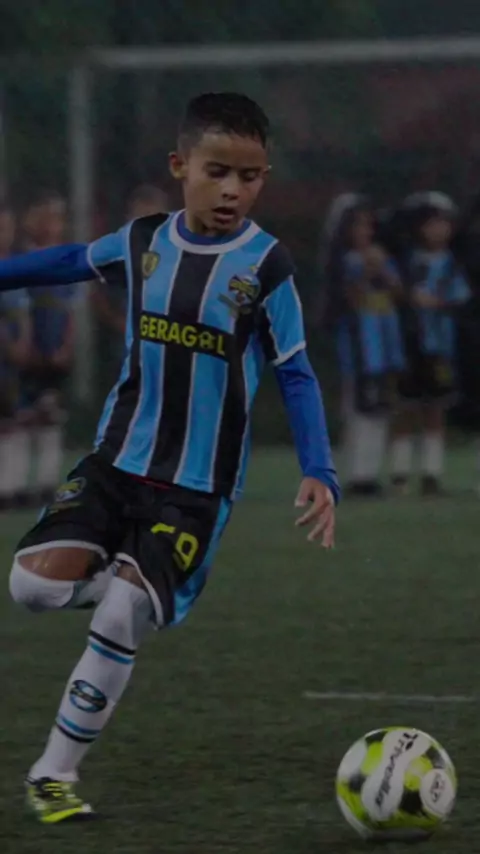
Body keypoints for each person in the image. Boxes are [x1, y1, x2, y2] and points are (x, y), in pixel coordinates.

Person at [0, 92, 339, 823]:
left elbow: (296, 371)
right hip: (114, 464)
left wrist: (320, 469)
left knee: (122, 610)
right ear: (181, 166)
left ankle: (53, 774)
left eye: (249, 177)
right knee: (29, 589)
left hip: (195, 488)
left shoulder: (267, 266)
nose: (233, 190)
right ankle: (126, 586)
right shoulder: (142, 241)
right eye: (218, 172)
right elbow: (68, 260)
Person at [390, 192, 470, 495]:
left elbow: (460, 298)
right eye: (432, 224)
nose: (439, 230)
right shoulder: (406, 261)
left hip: (439, 346)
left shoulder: (452, 263)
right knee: (405, 407)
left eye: (444, 224)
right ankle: (399, 473)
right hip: (408, 344)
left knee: (436, 408)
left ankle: (431, 473)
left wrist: (437, 302)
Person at [324, 193, 404, 496]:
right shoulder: (343, 263)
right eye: (359, 226)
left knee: (381, 407)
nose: (366, 232)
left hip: (385, 346)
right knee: (358, 407)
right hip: (359, 348)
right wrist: (367, 271)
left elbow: (399, 292)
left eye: (369, 226)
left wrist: (383, 270)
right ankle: (357, 472)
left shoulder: (383, 258)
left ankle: (371, 470)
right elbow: (347, 299)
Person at [21, 192, 76, 505]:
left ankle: (46, 481)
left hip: (56, 353)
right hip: (29, 352)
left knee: (52, 416)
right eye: (43, 218)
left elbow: (70, 313)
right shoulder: (23, 259)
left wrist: (66, 346)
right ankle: (18, 484)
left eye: (55, 219)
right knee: (25, 415)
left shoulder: (65, 261)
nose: (49, 225)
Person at [0, 204, 31, 508]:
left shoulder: (17, 267)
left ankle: (11, 488)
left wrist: (23, 342)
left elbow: (23, 313)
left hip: (10, 366)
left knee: (13, 421)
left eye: (7, 228)